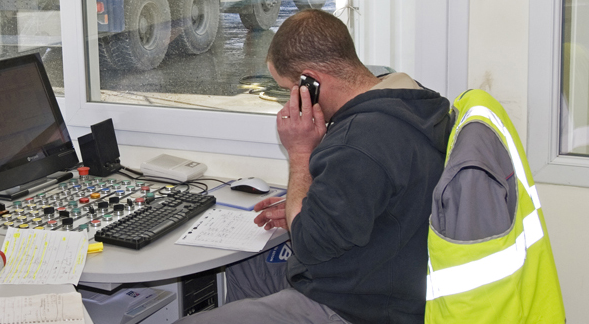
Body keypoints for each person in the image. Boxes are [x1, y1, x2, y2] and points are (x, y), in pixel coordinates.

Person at [175, 9, 453, 324]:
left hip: (355, 306)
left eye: (288, 89)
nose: (287, 101)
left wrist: (299, 151)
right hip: (384, 269)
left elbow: (308, 246)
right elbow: (371, 195)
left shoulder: (359, 143)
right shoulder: (409, 100)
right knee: (246, 266)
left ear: (312, 83)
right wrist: (311, 207)